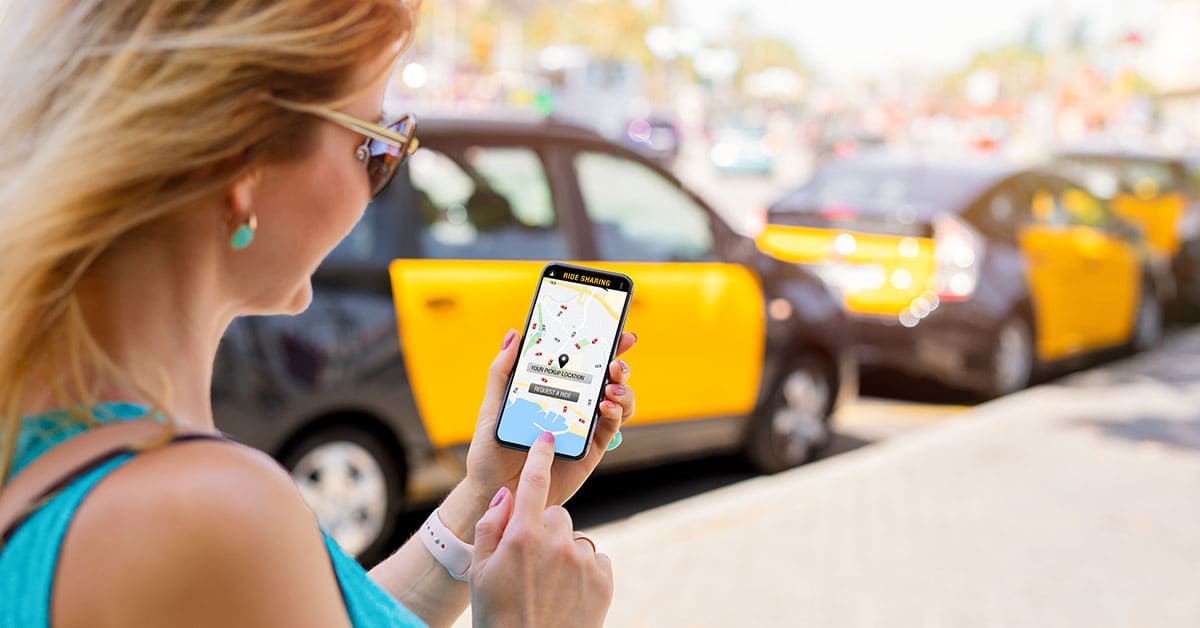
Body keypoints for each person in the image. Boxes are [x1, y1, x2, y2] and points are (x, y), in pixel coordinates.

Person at [0, 1, 638, 627]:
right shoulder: (202, 511)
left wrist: (483, 499)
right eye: (373, 145)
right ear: (242, 160)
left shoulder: (63, 440)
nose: (376, 180)